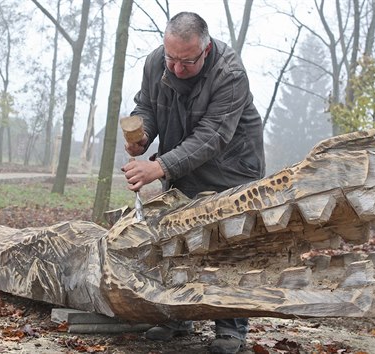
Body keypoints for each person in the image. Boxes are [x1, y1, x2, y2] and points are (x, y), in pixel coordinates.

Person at [121, 11, 265, 354]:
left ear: (206, 48)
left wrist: (160, 166)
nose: (176, 68)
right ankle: (177, 315)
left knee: (227, 244)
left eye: (186, 61)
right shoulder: (158, 61)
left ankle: (230, 328)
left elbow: (212, 135)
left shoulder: (229, 73)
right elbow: (147, 106)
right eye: (171, 58)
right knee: (176, 237)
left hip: (233, 168)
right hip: (183, 165)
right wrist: (142, 137)